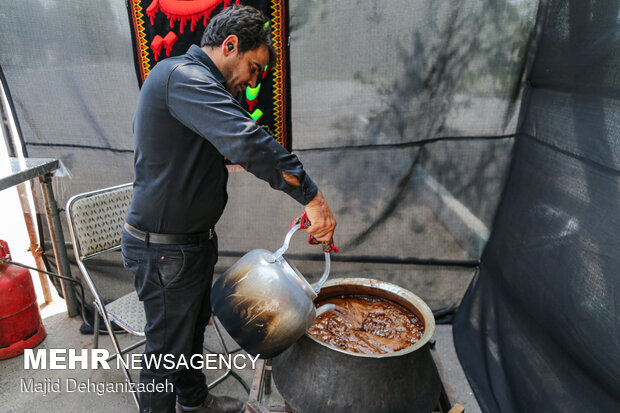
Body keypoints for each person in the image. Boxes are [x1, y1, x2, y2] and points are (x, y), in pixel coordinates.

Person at [120, 5, 336, 413]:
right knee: (164, 355)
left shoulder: (205, 86)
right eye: (254, 68)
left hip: (189, 245)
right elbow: (248, 144)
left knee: (190, 333)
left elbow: (248, 137)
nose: (255, 82)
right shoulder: (182, 78)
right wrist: (313, 197)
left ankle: (195, 402)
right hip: (165, 251)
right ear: (230, 45)